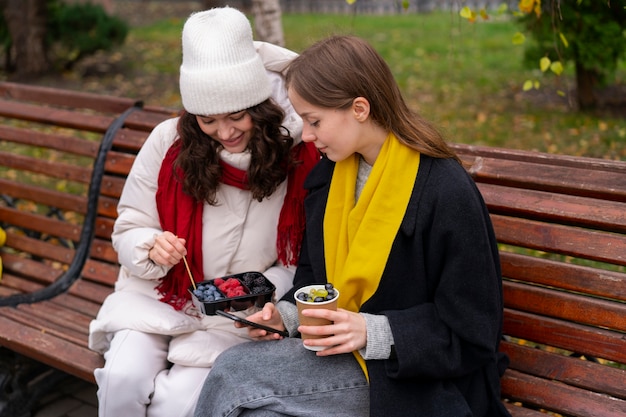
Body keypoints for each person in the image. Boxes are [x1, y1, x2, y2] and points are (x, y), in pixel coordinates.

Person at [194, 35, 512, 417]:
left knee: (234, 370)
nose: (307, 136)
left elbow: (473, 332)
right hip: (341, 360)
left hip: (416, 380)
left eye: (314, 121)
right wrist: (286, 318)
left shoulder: (445, 191)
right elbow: (314, 282)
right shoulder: (330, 178)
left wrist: (372, 331)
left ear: (360, 108)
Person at [88, 7, 318, 417]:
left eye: (237, 116)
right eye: (208, 120)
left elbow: (300, 259)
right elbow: (129, 227)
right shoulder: (168, 143)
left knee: (179, 405)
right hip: (158, 297)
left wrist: (257, 289)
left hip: (237, 317)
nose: (226, 132)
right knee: (121, 380)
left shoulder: (299, 156)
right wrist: (148, 246)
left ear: (261, 107)